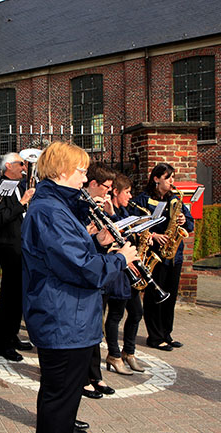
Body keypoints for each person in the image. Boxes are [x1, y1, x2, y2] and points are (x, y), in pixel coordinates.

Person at [21, 141, 137, 433]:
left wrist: (98, 245)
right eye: (82, 171)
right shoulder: (51, 210)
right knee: (59, 398)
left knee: (66, 396)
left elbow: (68, 256)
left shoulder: (59, 206)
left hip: (70, 316)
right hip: (62, 318)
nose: (86, 179)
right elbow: (81, 270)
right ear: (62, 171)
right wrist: (120, 260)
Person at [132, 163, 194, 351]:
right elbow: (135, 225)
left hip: (173, 255)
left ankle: (167, 333)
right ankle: (155, 336)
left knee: (170, 296)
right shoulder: (143, 200)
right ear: (156, 179)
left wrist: (184, 220)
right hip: (154, 255)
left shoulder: (175, 200)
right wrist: (152, 235)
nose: (172, 182)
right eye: (168, 178)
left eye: (172, 178)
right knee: (154, 297)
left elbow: (189, 225)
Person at [0, 152, 34, 362]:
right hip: (10, 248)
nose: (24, 167)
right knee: (8, 298)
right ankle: (3, 344)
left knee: (18, 298)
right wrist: (23, 202)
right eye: (20, 164)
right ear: (8, 166)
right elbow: (0, 218)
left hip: (23, 247)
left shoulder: (19, 186)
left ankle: (13, 337)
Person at [81, 163, 118, 398]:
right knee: (85, 329)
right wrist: (89, 235)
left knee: (96, 327)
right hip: (84, 272)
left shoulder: (97, 204)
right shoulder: (80, 204)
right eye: (106, 187)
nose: (108, 192)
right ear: (93, 184)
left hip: (97, 268)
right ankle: (83, 376)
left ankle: (95, 374)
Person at [104, 173, 144, 374]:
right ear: (116, 192)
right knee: (116, 314)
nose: (130, 196)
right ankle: (114, 354)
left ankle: (129, 352)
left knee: (137, 312)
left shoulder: (128, 211)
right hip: (118, 270)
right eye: (127, 192)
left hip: (130, 268)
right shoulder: (111, 211)